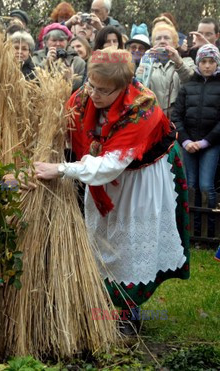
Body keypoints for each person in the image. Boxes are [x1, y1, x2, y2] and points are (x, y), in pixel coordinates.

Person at [33, 47, 189, 335]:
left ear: (124, 87)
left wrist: (61, 170)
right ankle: (99, 303)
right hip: (102, 174)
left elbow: (110, 165)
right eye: (92, 85)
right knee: (102, 236)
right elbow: (68, 126)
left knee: (129, 241)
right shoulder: (84, 96)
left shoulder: (144, 108)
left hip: (140, 177)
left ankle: (129, 314)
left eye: (104, 91)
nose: (94, 94)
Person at [171, 44, 220, 238]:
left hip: (211, 144)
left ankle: (210, 229)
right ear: (198, 63)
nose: (207, 66)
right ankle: (192, 229)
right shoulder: (188, 86)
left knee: (206, 185)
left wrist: (205, 142)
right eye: (203, 61)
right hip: (188, 143)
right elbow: (177, 116)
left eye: (211, 61)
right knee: (190, 185)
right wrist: (185, 141)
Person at [136, 23, 194, 116]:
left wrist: (179, 63)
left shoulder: (187, 62)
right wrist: (143, 69)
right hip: (152, 119)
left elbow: (191, 83)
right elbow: (138, 92)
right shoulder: (146, 63)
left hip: (178, 120)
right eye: (158, 38)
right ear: (153, 44)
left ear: (175, 43)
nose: (162, 41)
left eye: (166, 38)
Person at [32, 23, 85, 91]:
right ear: (46, 42)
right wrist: (46, 63)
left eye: (61, 40)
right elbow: (32, 79)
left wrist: (70, 79)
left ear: (67, 42)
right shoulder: (37, 57)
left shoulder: (77, 61)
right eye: (54, 40)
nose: (58, 44)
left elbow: (83, 85)